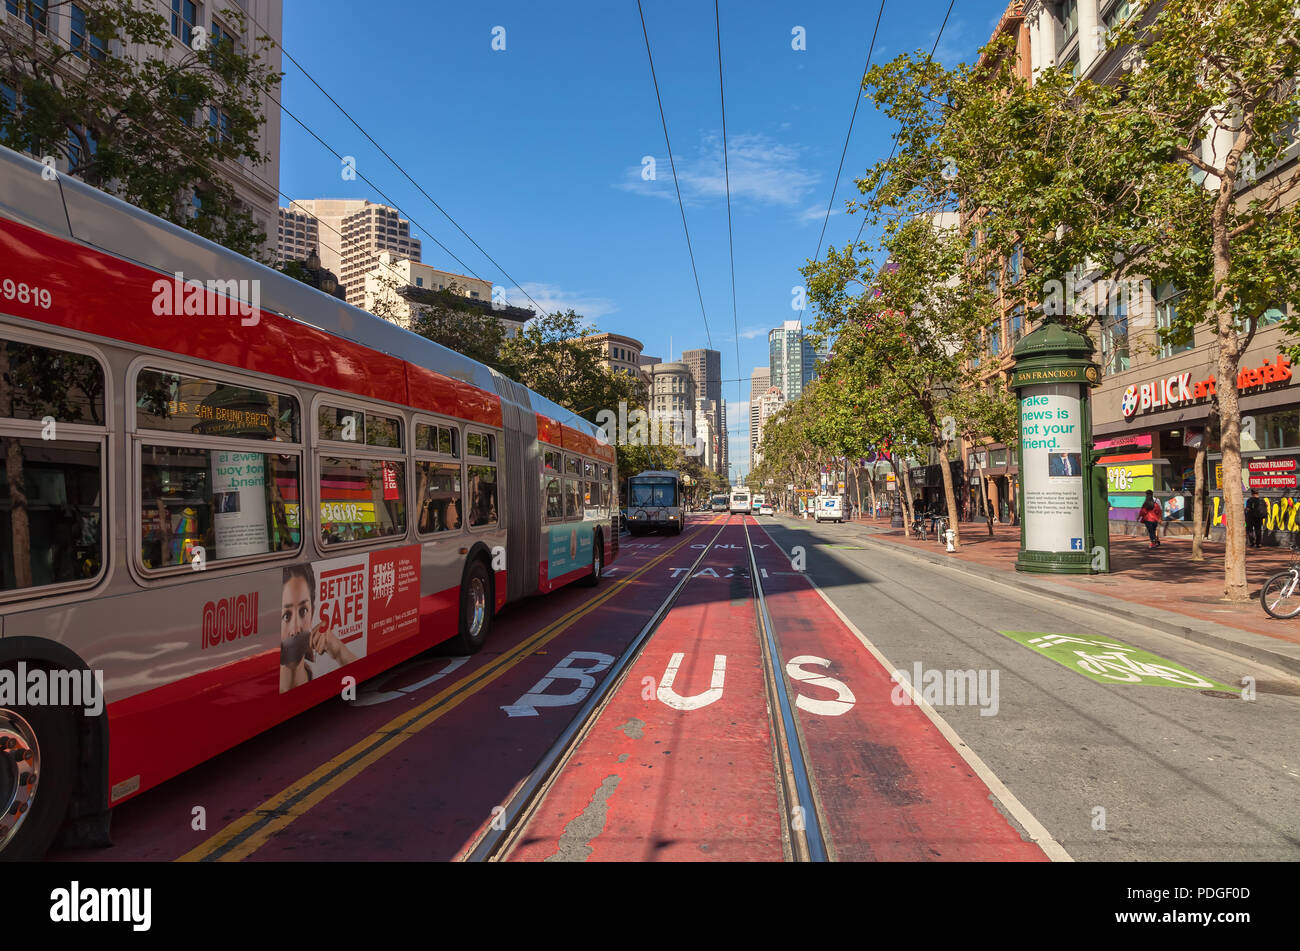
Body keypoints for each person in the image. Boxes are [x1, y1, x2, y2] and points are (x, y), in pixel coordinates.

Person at [280, 563, 358, 693]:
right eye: (286, 616)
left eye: (303, 611)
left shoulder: (324, 677)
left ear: (312, 613)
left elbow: (364, 673)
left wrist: (339, 651)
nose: (296, 630)